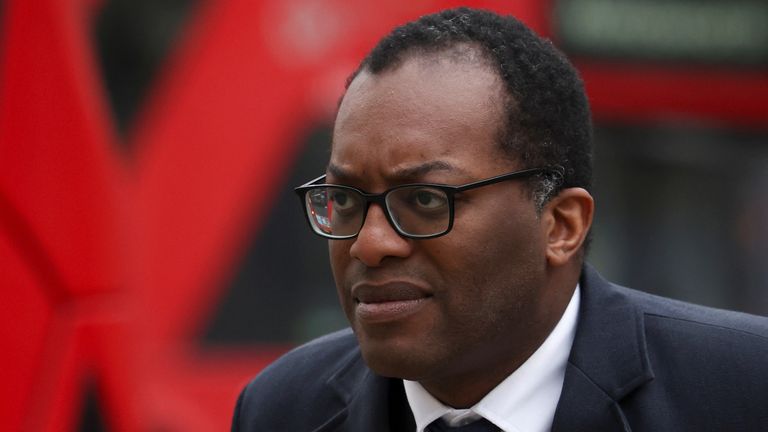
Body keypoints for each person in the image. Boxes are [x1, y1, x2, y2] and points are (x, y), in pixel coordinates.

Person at [232, 7, 768, 432]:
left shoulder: (742, 389)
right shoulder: (282, 409)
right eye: (346, 200)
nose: (369, 245)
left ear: (561, 225)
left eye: (424, 200)